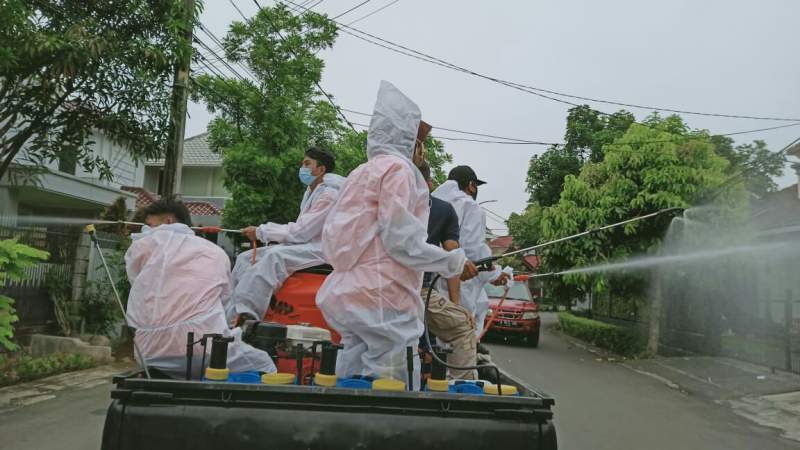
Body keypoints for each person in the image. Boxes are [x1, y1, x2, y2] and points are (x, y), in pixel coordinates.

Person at [316, 81, 478, 389]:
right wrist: (453, 263)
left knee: (351, 376)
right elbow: (402, 242)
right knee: (391, 386)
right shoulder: (400, 171)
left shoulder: (362, 171)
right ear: (408, 139)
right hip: (382, 297)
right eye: (420, 141)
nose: (422, 150)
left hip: (348, 292)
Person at [125, 197, 276, 378]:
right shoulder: (215, 252)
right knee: (266, 365)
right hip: (207, 350)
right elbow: (225, 301)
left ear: (169, 221)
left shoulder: (142, 245)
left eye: (150, 225)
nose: (146, 230)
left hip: (149, 353)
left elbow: (137, 286)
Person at [225, 147, 345, 325]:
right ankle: (228, 315)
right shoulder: (311, 192)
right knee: (245, 258)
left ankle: (245, 316)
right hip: (306, 245)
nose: (302, 168)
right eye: (302, 163)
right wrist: (261, 231)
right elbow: (300, 230)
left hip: (321, 249)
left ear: (321, 170)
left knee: (274, 257)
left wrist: (261, 231)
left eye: (307, 164)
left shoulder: (329, 194)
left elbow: (301, 231)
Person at [418, 160, 479, 380]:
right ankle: (461, 390)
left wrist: (455, 303)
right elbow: (453, 253)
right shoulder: (445, 209)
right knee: (463, 326)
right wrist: (457, 306)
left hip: (369, 288)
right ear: (430, 183)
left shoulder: (379, 200)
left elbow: (454, 256)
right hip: (418, 292)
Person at [432, 166, 509, 338]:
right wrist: (495, 274)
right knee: (459, 344)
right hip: (458, 288)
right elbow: (473, 252)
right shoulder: (471, 207)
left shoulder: (434, 203)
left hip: (429, 288)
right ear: (471, 185)